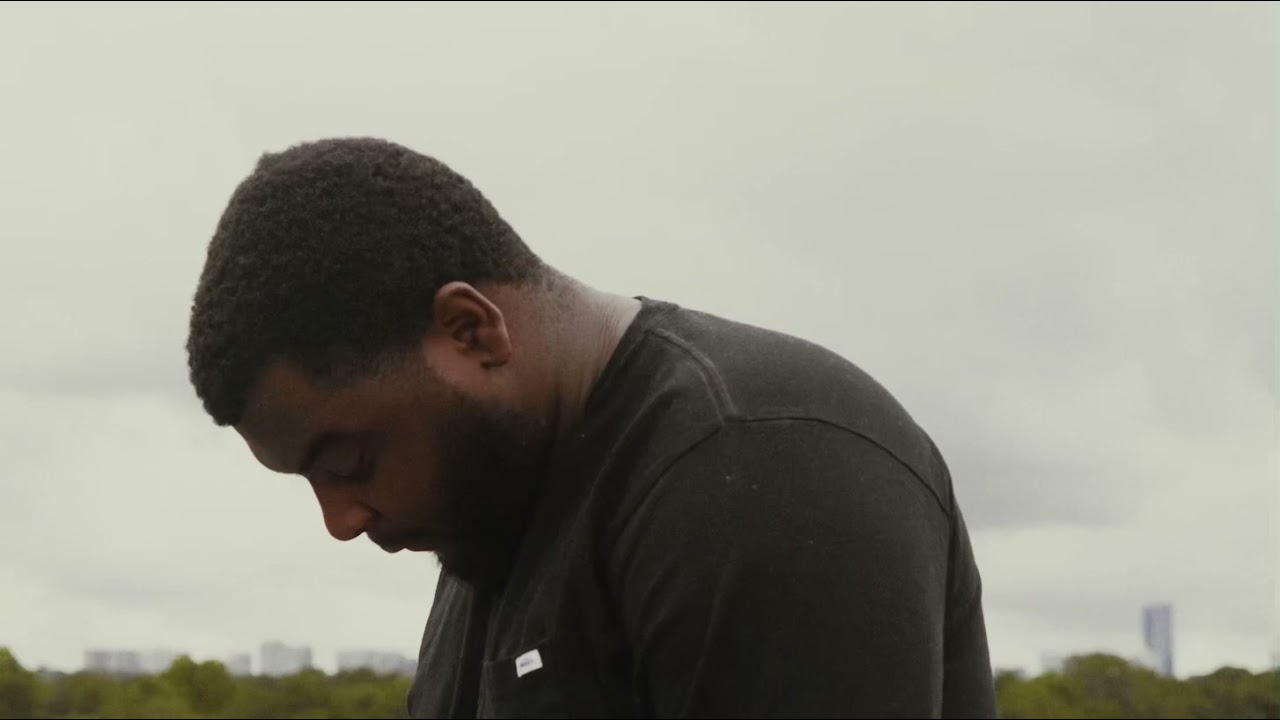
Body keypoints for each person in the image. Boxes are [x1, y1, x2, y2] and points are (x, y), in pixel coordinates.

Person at [185, 137, 996, 719]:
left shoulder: (758, 466)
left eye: (349, 461)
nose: (340, 520)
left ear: (470, 332)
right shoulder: (493, 520)